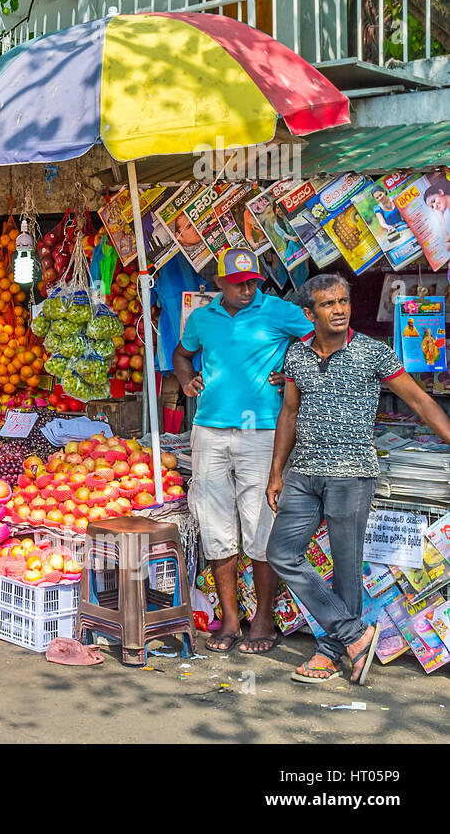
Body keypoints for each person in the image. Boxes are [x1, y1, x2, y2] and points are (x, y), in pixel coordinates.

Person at [267, 275, 450, 686]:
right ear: (308, 313)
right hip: (304, 474)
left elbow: (420, 400)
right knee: (281, 552)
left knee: (346, 570)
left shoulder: (372, 353)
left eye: (343, 301)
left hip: (352, 476)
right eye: (328, 304)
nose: (339, 309)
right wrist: (277, 472)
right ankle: (353, 635)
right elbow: (289, 414)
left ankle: (332, 652)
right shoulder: (296, 357)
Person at [172, 246, 313, 655]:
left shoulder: (279, 311)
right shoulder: (202, 318)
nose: (247, 290)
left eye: (253, 282)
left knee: (260, 525)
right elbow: (183, 354)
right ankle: (231, 619)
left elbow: (318, 341)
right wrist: (185, 381)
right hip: (209, 432)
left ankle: (264, 618)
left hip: (263, 433)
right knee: (216, 527)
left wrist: (291, 371)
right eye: (238, 284)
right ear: (219, 284)